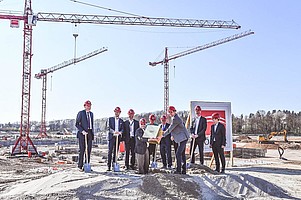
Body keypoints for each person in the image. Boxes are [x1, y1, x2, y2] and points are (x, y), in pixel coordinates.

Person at [161, 106, 190, 174]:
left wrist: (162, 135)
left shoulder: (175, 119)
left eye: (171, 112)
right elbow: (175, 129)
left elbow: (170, 129)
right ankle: (183, 170)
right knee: (182, 154)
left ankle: (179, 170)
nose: (170, 113)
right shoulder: (174, 118)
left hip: (184, 138)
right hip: (181, 138)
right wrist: (173, 135)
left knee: (178, 153)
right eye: (169, 112)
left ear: (174, 111)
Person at [75, 100, 94, 172]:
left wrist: (91, 133)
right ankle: (80, 166)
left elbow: (91, 124)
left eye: (90, 106)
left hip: (89, 133)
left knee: (88, 150)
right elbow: (77, 124)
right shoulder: (81, 113)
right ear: (85, 106)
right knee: (82, 150)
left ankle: (87, 164)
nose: (89, 107)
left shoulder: (91, 114)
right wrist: (82, 131)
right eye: (87, 105)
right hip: (82, 134)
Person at [106, 107, 124, 171]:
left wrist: (120, 132)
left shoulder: (121, 121)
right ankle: (109, 166)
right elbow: (108, 127)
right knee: (110, 151)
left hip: (117, 138)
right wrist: (113, 132)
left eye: (118, 112)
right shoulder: (110, 119)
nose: (117, 113)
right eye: (116, 112)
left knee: (116, 152)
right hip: (111, 137)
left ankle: (114, 164)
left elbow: (122, 129)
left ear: (120, 113)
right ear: (114, 112)